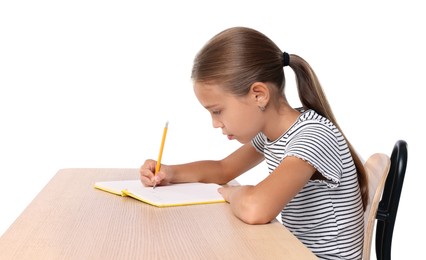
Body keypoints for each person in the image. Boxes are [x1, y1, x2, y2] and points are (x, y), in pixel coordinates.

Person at [140, 26, 367, 259]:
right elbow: (223, 169)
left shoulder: (312, 137)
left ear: (259, 94)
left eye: (218, 111)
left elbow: (256, 208)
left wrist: (234, 193)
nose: (215, 124)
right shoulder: (275, 132)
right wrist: (168, 172)